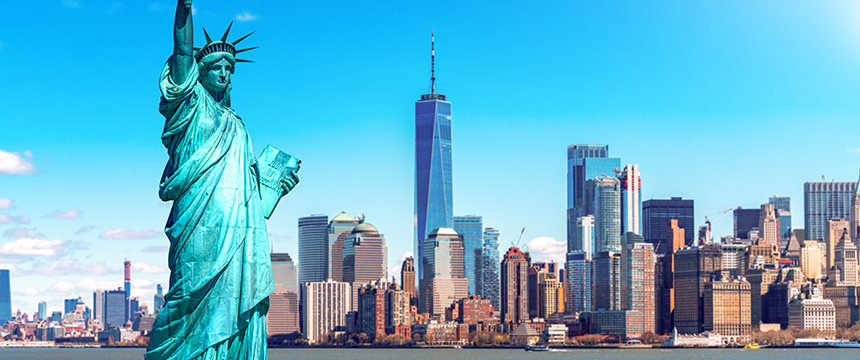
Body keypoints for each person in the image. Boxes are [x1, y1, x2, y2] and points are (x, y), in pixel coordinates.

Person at [145, 1, 298, 359]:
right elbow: (182, 49)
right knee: (188, 296)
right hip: (200, 224)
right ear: (200, 73)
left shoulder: (238, 126)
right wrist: (184, 9)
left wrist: (275, 189)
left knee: (237, 302)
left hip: (241, 231)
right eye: (217, 67)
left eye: (230, 69)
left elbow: (253, 202)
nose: (225, 74)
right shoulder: (190, 106)